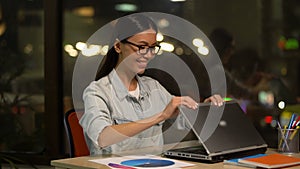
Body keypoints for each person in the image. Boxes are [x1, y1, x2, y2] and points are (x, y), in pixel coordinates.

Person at [80, 13, 224, 155]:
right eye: (141, 47)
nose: (148, 54)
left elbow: (185, 119)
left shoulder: (154, 87)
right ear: (118, 46)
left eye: (152, 47)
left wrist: (207, 108)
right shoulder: (97, 92)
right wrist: (160, 116)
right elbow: (102, 138)